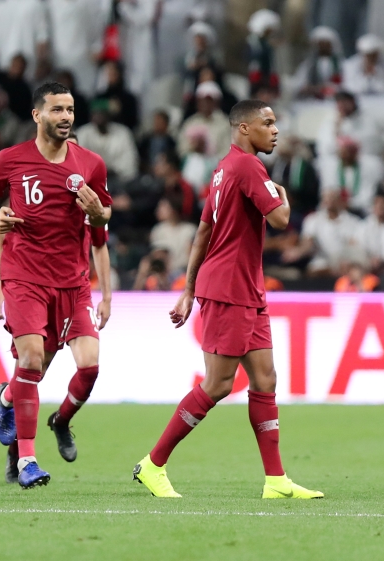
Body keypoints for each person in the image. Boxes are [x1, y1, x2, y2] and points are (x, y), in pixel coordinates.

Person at [132, 100, 323, 500]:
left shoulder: (222, 170)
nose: (274, 130)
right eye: (266, 123)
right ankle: (153, 463)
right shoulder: (249, 167)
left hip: (245, 287)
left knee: (265, 379)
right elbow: (281, 219)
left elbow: (203, 233)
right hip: (229, 288)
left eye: (275, 123)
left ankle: (275, 480)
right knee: (218, 384)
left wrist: (187, 291)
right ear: (242, 128)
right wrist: (283, 197)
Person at [0, 82, 112, 488]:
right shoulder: (10, 159)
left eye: (70, 109)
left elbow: (103, 221)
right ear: (38, 115)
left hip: (72, 284)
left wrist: (97, 212)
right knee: (32, 359)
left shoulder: (90, 163)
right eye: (57, 110)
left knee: (89, 366)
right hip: (25, 276)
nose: (66, 117)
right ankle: (26, 463)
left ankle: (25, 405)